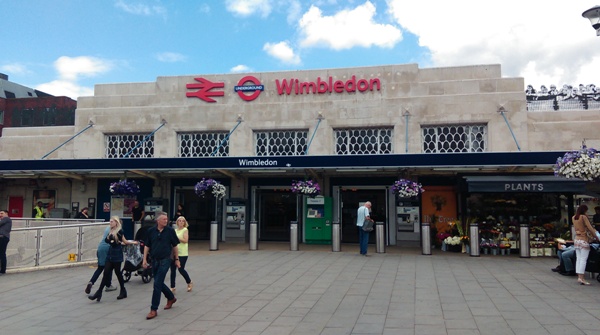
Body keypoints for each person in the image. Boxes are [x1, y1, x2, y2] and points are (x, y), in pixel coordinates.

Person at [88, 216, 138, 301]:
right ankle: (99, 292)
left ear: (116, 223)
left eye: (112, 222)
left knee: (118, 273)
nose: (110, 223)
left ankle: (123, 290)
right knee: (106, 273)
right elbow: (108, 241)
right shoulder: (110, 231)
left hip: (117, 254)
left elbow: (124, 242)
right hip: (110, 254)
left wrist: (133, 242)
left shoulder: (119, 231)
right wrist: (111, 240)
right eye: (110, 221)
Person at [143, 212, 180, 320]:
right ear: (158, 221)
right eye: (163, 219)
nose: (166, 221)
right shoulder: (151, 231)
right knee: (158, 282)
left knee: (157, 284)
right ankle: (171, 297)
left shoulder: (170, 231)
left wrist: (176, 259)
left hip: (165, 260)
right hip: (154, 260)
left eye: (166, 219)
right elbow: (147, 245)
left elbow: (175, 246)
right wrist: (144, 259)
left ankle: (153, 309)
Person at [572, 204, 600, 285]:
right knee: (583, 260)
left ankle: (579, 276)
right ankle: (581, 277)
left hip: (577, 240)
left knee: (579, 258)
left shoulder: (574, 217)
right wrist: (596, 236)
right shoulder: (583, 217)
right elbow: (590, 228)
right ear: (584, 210)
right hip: (584, 239)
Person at [85, 224, 116, 294]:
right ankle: (108, 285)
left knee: (100, 268)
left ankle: (91, 282)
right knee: (109, 267)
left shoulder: (108, 227)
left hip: (100, 247)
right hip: (107, 248)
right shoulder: (114, 230)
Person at [170, 216, 193, 293]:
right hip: (174, 252)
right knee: (172, 270)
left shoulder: (185, 230)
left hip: (182, 253)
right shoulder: (174, 230)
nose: (181, 222)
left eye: (182, 221)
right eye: (179, 221)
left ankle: (189, 282)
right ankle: (172, 287)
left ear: (184, 223)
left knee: (181, 269)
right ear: (177, 222)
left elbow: (185, 240)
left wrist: (176, 238)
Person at [0, 209, 12, 275]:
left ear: (6, 213)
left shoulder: (6, 219)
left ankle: (2, 270)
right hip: (3, 238)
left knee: (2, 253)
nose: (0, 215)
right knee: (1, 253)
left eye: (2, 213)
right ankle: (2, 270)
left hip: (3, 238)